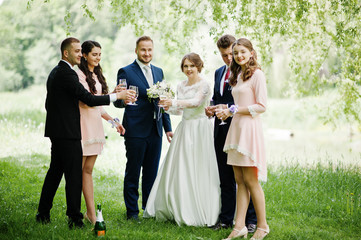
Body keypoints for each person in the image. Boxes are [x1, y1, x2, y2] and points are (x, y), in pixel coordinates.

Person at [36, 37, 134, 229]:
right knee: (73, 176)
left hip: (60, 131)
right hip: (69, 132)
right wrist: (116, 96)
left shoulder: (57, 72)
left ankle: (43, 213)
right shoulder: (67, 74)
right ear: (66, 53)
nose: (80, 54)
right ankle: (75, 219)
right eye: (77, 51)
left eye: (81, 51)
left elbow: (50, 104)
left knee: (55, 173)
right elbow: (87, 98)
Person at [144, 53, 220, 226]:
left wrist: (174, 101)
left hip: (200, 129)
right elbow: (178, 112)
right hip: (185, 128)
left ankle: (202, 208)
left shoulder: (205, 84)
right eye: (185, 66)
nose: (189, 69)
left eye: (192, 66)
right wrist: (166, 106)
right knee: (181, 166)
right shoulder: (180, 85)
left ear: (199, 66)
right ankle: (178, 205)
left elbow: (195, 102)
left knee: (200, 166)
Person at [113, 36, 173, 221]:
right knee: (133, 172)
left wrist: (167, 128)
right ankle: (132, 212)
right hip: (135, 130)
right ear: (136, 51)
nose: (147, 53)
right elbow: (119, 103)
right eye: (143, 50)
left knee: (151, 173)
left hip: (155, 130)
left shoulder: (159, 72)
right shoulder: (126, 71)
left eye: (149, 50)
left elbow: (163, 102)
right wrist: (122, 98)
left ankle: (148, 208)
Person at [216, 38, 269, 240]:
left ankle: (262, 226)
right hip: (236, 128)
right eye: (236, 52)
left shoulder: (257, 75)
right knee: (239, 180)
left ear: (251, 53)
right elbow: (235, 104)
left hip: (249, 130)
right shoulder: (237, 75)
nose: (238, 56)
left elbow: (262, 106)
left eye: (242, 52)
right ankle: (239, 226)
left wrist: (235, 109)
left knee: (250, 180)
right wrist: (226, 109)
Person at [205, 34, 257, 232]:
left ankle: (251, 220)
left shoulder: (244, 72)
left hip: (240, 129)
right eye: (224, 55)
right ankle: (226, 218)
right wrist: (210, 108)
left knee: (245, 177)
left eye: (230, 54)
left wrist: (227, 108)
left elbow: (246, 101)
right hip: (220, 129)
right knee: (225, 178)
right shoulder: (218, 72)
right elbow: (216, 97)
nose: (228, 59)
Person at [77, 40, 125, 224]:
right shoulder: (79, 74)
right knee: (79, 171)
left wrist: (113, 121)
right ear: (85, 55)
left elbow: (98, 105)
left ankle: (91, 213)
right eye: (94, 54)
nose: (98, 57)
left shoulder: (96, 74)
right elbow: (86, 101)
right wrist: (113, 96)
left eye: (99, 54)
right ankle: (78, 212)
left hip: (95, 126)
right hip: (83, 126)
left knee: (88, 171)